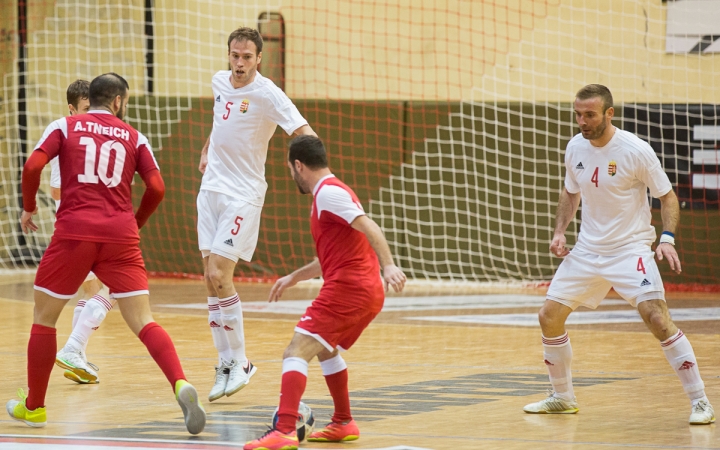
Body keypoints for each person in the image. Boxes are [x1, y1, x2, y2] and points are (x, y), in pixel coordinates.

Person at [6, 73, 206, 435]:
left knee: (44, 317)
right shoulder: (134, 136)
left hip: (74, 233)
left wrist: (28, 208)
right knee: (144, 321)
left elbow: (33, 166)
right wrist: (135, 221)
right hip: (120, 237)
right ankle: (180, 383)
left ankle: (35, 407)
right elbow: (157, 188)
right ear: (118, 102)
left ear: (92, 99)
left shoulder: (64, 126)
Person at [522, 84, 714, 425]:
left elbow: (668, 197)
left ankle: (700, 401)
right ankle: (562, 397)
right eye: (578, 114)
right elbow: (570, 192)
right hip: (587, 250)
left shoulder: (635, 150)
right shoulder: (574, 147)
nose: (582, 121)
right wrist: (559, 230)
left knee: (657, 318)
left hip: (630, 250)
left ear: (609, 113)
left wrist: (667, 238)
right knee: (548, 316)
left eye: (590, 114)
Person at [243, 135, 407, 450]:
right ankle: (343, 422)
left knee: (295, 351)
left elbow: (370, 226)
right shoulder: (333, 192)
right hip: (363, 289)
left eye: (291, 169)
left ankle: (285, 430)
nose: (292, 175)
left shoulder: (329, 194)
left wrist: (389, 266)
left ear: (299, 165)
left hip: (351, 288)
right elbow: (331, 254)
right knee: (325, 348)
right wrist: (294, 276)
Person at [197, 27, 317, 402]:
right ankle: (226, 363)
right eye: (234, 55)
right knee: (208, 279)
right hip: (211, 191)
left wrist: (307, 170)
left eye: (246, 57)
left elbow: (303, 130)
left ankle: (242, 361)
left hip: (243, 194)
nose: (239, 63)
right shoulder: (220, 81)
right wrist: (206, 150)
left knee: (220, 273)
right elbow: (220, 122)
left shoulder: (267, 93)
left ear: (258, 59)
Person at [49, 79, 117, 385]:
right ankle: (73, 348)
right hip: (78, 224)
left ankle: (77, 355)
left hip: (85, 224)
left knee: (91, 290)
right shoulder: (65, 133)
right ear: (72, 109)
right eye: (87, 109)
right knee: (116, 286)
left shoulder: (94, 136)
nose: (92, 114)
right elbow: (54, 189)